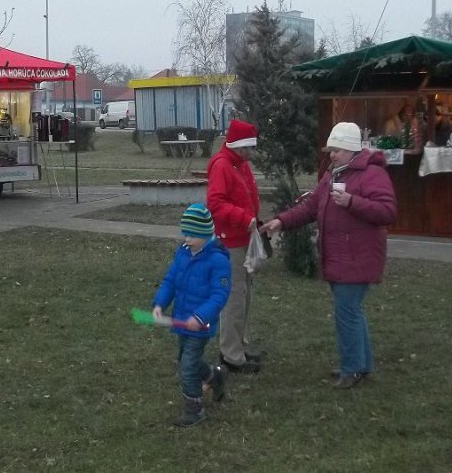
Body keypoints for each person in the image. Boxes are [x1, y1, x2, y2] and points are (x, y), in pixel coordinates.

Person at [260, 122, 397, 389]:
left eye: (337, 150)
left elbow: (387, 211)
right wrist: (281, 221)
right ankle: (362, 365)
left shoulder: (371, 174)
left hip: (357, 256)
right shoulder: (334, 174)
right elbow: (311, 206)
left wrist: (352, 202)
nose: (331, 155)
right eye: (330, 150)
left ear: (351, 149)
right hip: (339, 255)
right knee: (352, 311)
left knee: (347, 313)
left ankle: (352, 369)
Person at [151, 203, 231, 427]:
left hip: (200, 325)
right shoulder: (183, 254)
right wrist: (160, 304)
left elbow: (219, 296)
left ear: (206, 234)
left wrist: (199, 317)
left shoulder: (218, 260)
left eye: (192, 235)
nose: (187, 239)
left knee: (187, 366)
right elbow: (170, 281)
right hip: (181, 321)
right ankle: (215, 377)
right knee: (187, 360)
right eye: (185, 233)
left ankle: (194, 409)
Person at [206, 119, 262, 374]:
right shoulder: (222, 166)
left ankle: (238, 346)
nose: (250, 153)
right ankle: (231, 355)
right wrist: (244, 218)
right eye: (248, 147)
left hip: (244, 238)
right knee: (234, 299)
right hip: (231, 242)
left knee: (244, 296)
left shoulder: (240, 164)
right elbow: (215, 204)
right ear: (238, 145)